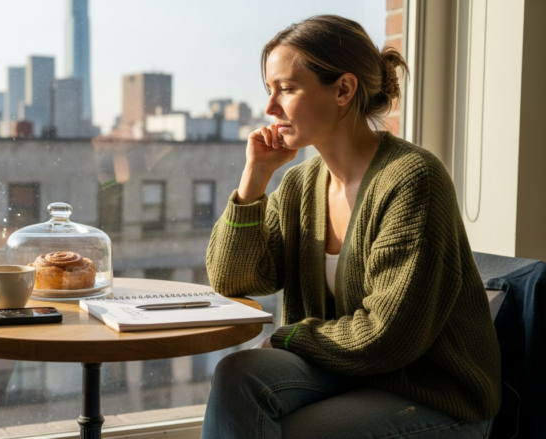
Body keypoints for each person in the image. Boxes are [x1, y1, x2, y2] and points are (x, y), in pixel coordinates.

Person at [201, 15, 501, 439]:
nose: (270, 108)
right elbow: (233, 278)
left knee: (291, 431)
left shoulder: (413, 178)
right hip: (345, 371)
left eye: (286, 89)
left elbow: (387, 337)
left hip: (429, 392)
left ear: (343, 89)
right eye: (269, 90)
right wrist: (253, 183)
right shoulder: (300, 185)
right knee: (237, 372)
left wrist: (288, 338)